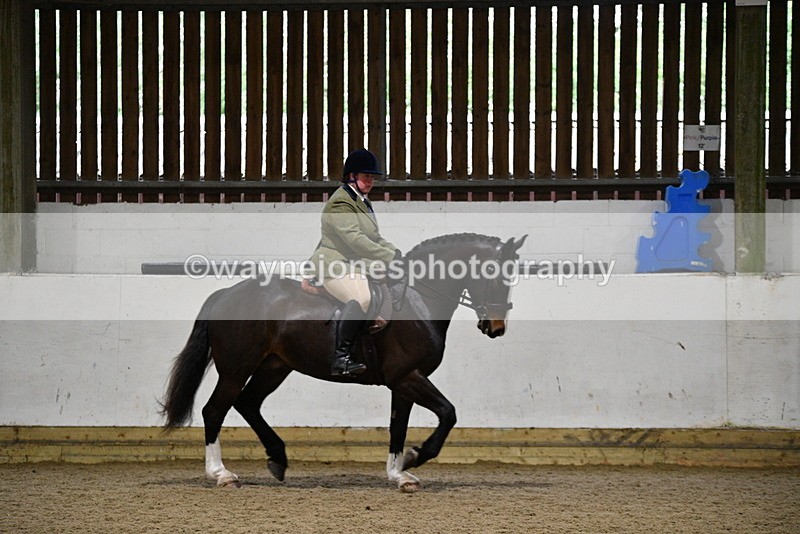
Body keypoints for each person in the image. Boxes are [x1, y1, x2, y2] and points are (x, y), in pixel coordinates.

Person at [308, 148, 402, 376]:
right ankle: (341, 359)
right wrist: (388, 257)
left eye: (372, 177)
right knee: (362, 297)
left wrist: (397, 254)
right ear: (351, 176)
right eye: (366, 176)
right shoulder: (341, 203)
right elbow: (355, 240)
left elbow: (374, 238)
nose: (370, 181)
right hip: (334, 264)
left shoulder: (362, 201)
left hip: (353, 262)